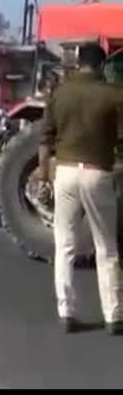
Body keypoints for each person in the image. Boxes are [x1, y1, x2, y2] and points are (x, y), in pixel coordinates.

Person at [38, 42, 123, 334]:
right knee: (106, 247)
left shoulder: (60, 94)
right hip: (98, 174)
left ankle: (67, 313)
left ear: (78, 63)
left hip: (65, 173)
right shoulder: (114, 94)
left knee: (64, 245)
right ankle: (113, 316)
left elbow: (45, 140)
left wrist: (43, 174)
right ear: (101, 66)